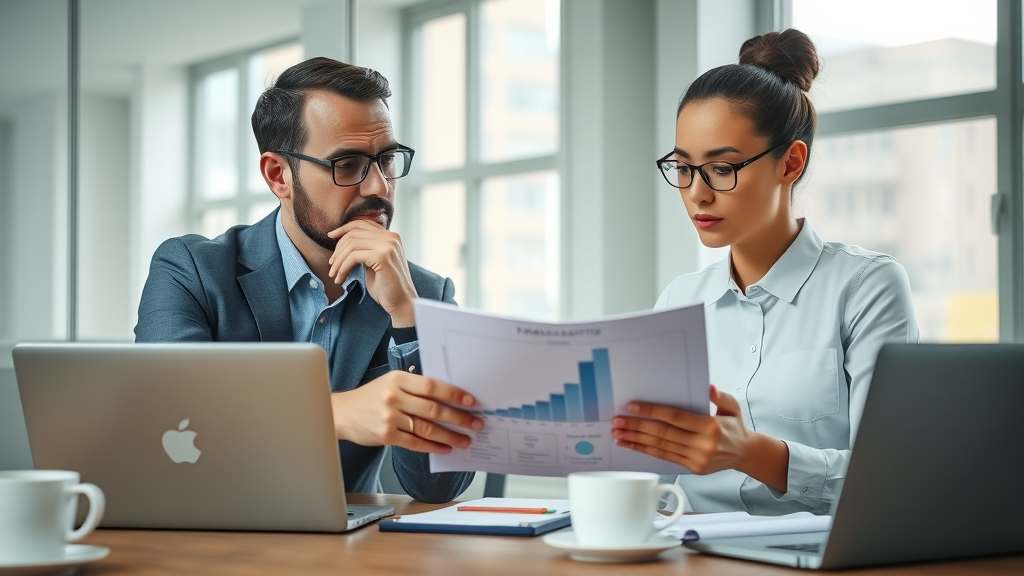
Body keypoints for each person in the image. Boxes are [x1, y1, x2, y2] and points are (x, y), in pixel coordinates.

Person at [135, 57, 482, 503]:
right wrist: (332, 413)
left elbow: (438, 488)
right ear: (279, 175)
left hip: (349, 551)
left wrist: (409, 318)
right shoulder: (191, 269)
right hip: (210, 530)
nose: (378, 187)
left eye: (386, 160)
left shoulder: (425, 294)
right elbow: (165, 407)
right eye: (349, 163)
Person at [610, 29, 919, 514]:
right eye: (683, 167)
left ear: (791, 163)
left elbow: (891, 478)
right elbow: (648, 472)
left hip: (816, 558)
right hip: (690, 555)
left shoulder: (865, 287)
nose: (697, 193)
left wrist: (752, 453)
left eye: (722, 168)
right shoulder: (679, 300)